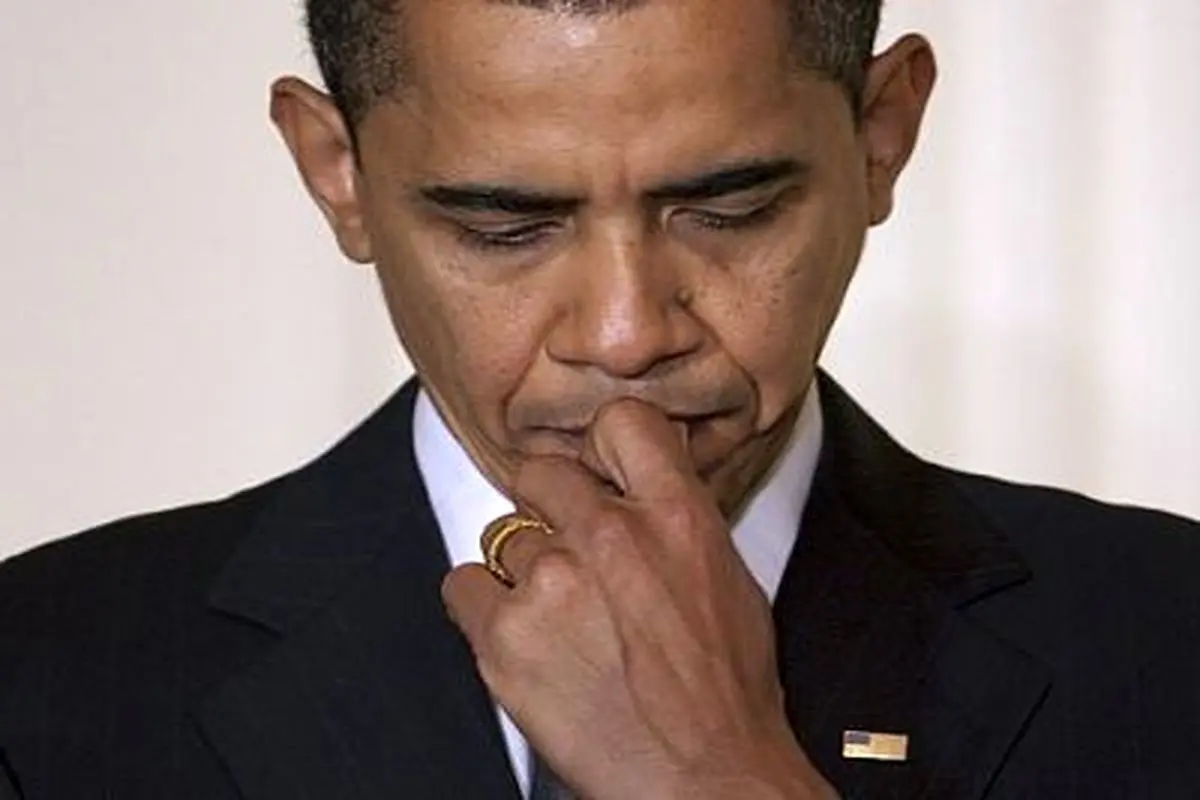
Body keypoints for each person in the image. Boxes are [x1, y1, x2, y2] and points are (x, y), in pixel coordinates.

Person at [1, 0, 1197, 797]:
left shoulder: (1169, 643)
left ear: (881, 137)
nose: (626, 334)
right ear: (336, 171)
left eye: (730, 210)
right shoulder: (41, 674)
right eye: (504, 226)